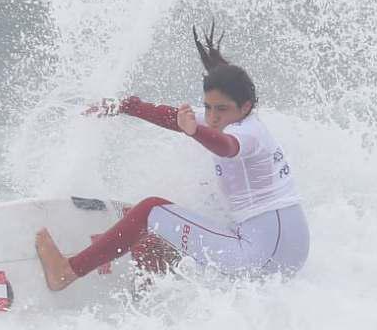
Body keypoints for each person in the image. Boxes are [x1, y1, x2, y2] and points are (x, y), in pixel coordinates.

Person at [34, 23, 309, 291]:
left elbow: (226, 147)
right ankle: (148, 298)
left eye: (221, 109)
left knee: (150, 210)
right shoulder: (229, 120)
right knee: (156, 237)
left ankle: (66, 272)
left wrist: (195, 132)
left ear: (245, 107)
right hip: (288, 254)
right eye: (208, 107)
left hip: (261, 255)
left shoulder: (248, 133)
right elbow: (172, 117)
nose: (212, 117)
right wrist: (127, 106)